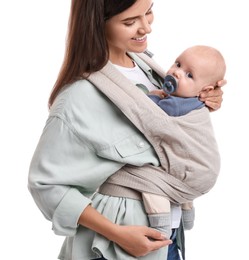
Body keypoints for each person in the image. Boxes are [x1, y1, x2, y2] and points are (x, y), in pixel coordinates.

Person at [28, 1, 225, 260]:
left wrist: (202, 101)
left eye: (149, 12)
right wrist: (117, 234)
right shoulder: (80, 97)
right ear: (99, 24)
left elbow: (168, 130)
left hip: (170, 238)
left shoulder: (147, 68)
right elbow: (45, 184)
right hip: (116, 245)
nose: (146, 27)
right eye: (130, 22)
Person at [108, 45, 226, 240]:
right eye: (178, 64)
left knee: (153, 185)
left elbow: (150, 114)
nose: (176, 73)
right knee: (181, 185)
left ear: (205, 90)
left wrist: (152, 96)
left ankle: (161, 223)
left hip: (197, 166)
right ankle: (187, 216)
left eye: (189, 75)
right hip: (198, 171)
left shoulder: (175, 104)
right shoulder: (190, 100)